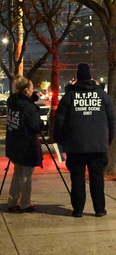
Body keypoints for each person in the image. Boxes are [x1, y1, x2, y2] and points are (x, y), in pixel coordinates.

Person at [54, 63, 114, 218]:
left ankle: (78, 209)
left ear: (77, 78)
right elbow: (112, 120)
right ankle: (99, 209)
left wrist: (60, 140)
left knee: (77, 178)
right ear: (91, 77)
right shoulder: (102, 95)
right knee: (97, 177)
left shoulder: (69, 96)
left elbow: (59, 121)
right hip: (97, 144)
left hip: (75, 145)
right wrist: (108, 140)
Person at [6, 75, 44, 213]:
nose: (33, 90)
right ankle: (25, 203)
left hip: (14, 144)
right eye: (32, 88)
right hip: (26, 146)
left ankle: (12, 201)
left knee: (17, 173)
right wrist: (42, 123)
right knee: (26, 176)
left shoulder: (12, 100)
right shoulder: (27, 107)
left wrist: (32, 99)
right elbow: (35, 126)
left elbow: (23, 106)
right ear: (26, 89)